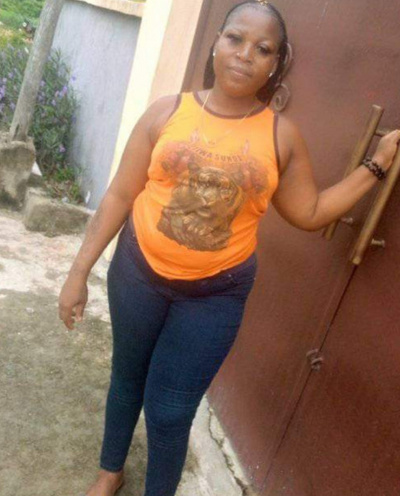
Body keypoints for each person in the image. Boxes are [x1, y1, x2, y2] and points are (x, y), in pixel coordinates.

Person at [58, 2, 400, 495]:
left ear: (276, 63)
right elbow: (119, 195)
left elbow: (309, 211)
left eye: (263, 49)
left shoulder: (282, 136)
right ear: (217, 42)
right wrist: (78, 273)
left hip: (213, 296)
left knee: (170, 410)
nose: (245, 54)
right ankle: (110, 472)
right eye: (235, 39)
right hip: (136, 274)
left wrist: (376, 166)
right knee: (127, 378)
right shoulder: (166, 112)